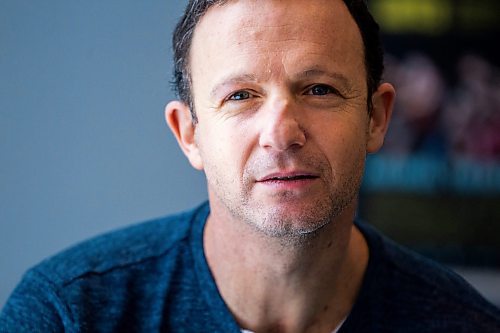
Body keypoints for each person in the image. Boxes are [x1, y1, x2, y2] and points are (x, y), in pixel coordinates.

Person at [1, 0, 500, 332]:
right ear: (189, 134)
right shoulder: (66, 315)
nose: (281, 133)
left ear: (376, 117)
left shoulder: (465, 324)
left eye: (319, 89)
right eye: (241, 95)